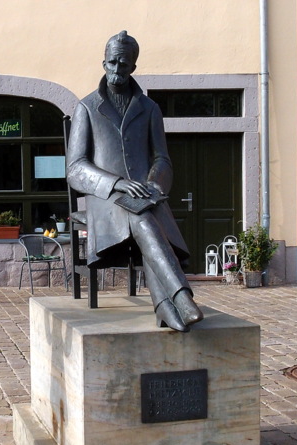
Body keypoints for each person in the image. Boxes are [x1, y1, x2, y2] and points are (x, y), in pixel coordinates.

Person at [66, 31, 203, 332]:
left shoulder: (150, 109)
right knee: (143, 220)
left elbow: (162, 159)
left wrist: (155, 184)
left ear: (133, 68)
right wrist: (117, 183)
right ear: (103, 63)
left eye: (123, 65)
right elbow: (75, 169)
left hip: (146, 196)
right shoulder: (86, 108)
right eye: (112, 63)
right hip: (106, 199)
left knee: (143, 217)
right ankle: (181, 296)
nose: (117, 71)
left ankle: (166, 307)